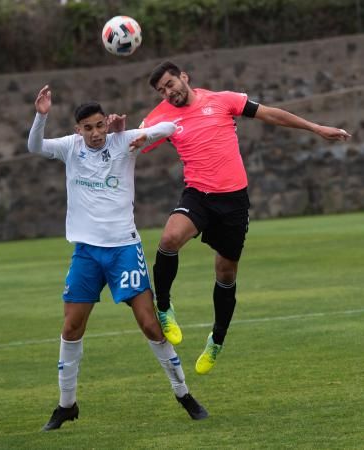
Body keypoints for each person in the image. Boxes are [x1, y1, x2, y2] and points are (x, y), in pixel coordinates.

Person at [140, 60, 351, 375]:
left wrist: (316, 128)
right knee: (169, 238)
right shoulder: (161, 117)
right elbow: (133, 142)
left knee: (226, 274)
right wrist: (120, 132)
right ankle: (165, 307)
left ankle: (217, 339)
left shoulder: (223, 100)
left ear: (184, 77)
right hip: (197, 195)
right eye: (162, 90)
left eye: (171, 84)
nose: (169, 93)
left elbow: (271, 114)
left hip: (233, 202)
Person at [27, 85, 208, 431]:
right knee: (71, 327)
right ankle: (67, 405)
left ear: (106, 124)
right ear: (78, 129)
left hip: (124, 249)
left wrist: (134, 131)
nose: (95, 133)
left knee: (150, 324)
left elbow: (168, 128)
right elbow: (34, 146)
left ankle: (183, 393)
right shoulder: (70, 147)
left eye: (99, 125)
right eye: (88, 128)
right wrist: (41, 114)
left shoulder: (122, 140)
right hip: (86, 254)